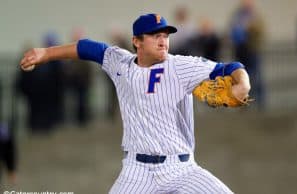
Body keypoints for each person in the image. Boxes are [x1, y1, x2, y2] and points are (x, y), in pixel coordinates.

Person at [20, 13, 250, 193]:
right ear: (136, 41)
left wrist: (243, 84)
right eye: (155, 35)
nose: (163, 41)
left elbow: (230, 67)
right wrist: (45, 54)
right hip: (137, 172)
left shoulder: (180, 66)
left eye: (166, 36)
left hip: (182, 169)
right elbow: (88, 47)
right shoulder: (119, 62)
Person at [230, 0, 264, 109]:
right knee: (241, 78)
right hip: (240, 51)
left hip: (252, 50)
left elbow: (259, 31)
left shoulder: (256, 16)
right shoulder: (237, 15)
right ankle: (243, 104)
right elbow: (232, 29)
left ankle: (260, 103)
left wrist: (247, 28)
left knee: (256, 76)